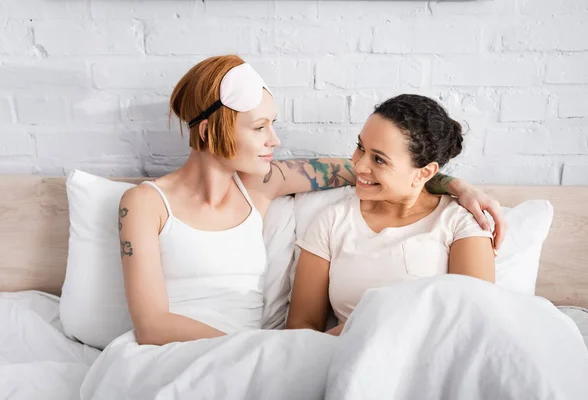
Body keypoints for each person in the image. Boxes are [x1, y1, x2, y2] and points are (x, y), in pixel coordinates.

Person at [117, 55, 505, 346]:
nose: (275, 140)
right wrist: (254, 351)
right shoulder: (142, 204)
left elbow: (384, 174)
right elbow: (151, 325)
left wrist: (457, 187)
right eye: (259, 127)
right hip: (189, 351)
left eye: (273, 124)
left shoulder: (260, 185)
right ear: (206, 131)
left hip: (252, 356)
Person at [287, 94, 496, 336]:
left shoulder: (459, 223)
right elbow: (300, 330)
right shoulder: (333, 221)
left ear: (424, 173)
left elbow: (474, 324)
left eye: (379, 159)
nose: (359, 166)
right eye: (360, 147)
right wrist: (364, 333)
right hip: (346, 358)